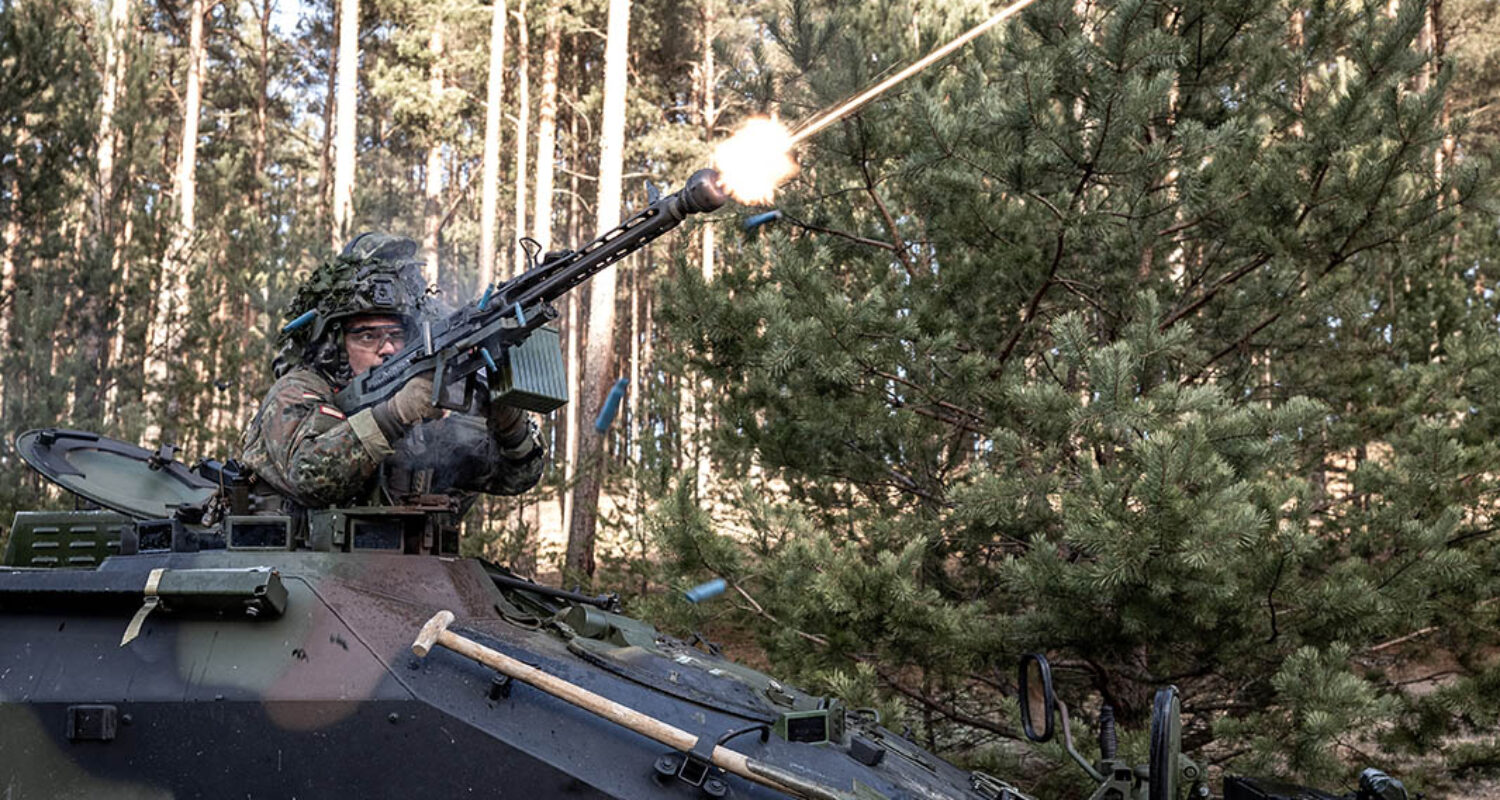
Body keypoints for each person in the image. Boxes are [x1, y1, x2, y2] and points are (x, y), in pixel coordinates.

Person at [239, 232, 544, 521]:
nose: (386, 349)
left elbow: (513, 479)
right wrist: (392, 415)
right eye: (367, 337)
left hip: (402, 571)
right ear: (336, 344)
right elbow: (310, 476)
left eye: (396, 336)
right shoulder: (297, 391)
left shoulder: (420, 415)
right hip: (301, 567)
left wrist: (511, 427)